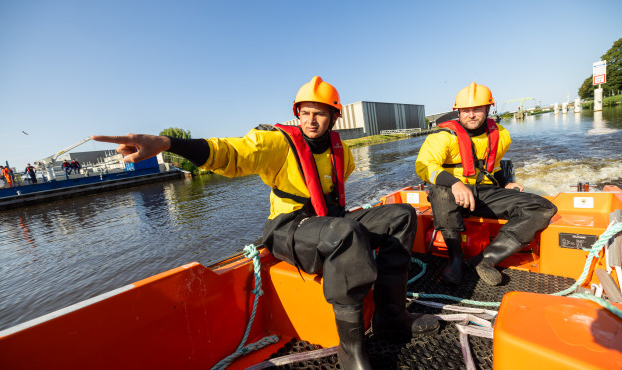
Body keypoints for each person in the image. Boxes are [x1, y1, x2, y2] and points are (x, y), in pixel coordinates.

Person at [92, 76, 439, 369]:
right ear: (297, 115)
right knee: (345, 232)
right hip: (288, 229)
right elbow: (230, 153)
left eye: (320, 114)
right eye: (305, 113)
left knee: (401, 216)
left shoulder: (341, 152)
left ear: (335, 118)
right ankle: (352, 354)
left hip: (328, 223)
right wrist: (169, 143)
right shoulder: (275, 143)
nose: (311, 121)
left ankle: (391, 319)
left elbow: (335, 198)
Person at [415, 82, 557, 286]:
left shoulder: (501, 135)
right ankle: (456, 259)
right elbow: (424, 166)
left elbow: (494, 165)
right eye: (465, 110)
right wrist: (455, 183)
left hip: (483, 193)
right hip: (450, 196)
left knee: (542, 207)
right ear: (458, 112)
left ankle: (485, 260)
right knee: (441, 192)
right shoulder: (442, 138)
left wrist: (505, 183)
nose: (471, 115)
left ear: (488, 109)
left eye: (477, 109)